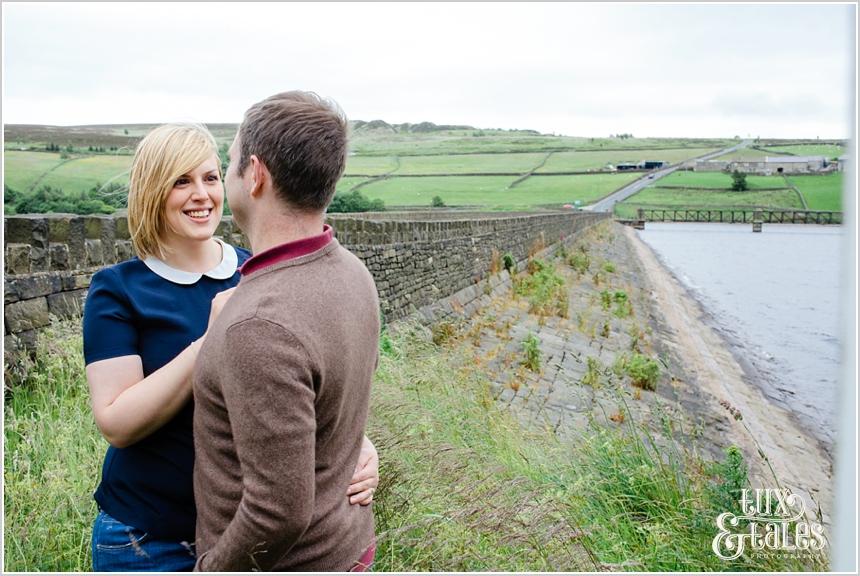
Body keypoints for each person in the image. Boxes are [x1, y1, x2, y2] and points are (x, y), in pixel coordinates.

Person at [82, 123, 379, 572]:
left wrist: (354, 444)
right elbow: (117, 422)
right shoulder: (118, 291)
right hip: (149, 536)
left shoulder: (254, 269)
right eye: (181, 181)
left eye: (209, 177)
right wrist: (209, 341)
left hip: (243, 535)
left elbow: (301, 383)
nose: (201, 194)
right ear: (150, 192)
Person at [192, 91, 378, 572]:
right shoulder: (352, 272)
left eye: (229, 161)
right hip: (349, 546)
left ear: (256, 175)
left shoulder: (258, 325)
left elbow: (277, 512)